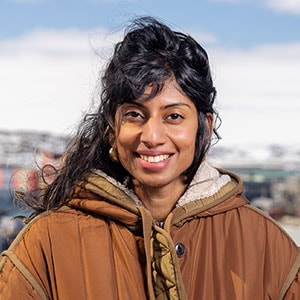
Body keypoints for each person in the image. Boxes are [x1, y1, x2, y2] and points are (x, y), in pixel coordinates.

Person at [0, 16, 299, 300]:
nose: (152, 136)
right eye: (134, 114)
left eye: (174, 116)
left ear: (204, 127)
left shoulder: (266, 245)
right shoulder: (47, 244)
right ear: (111, 127)